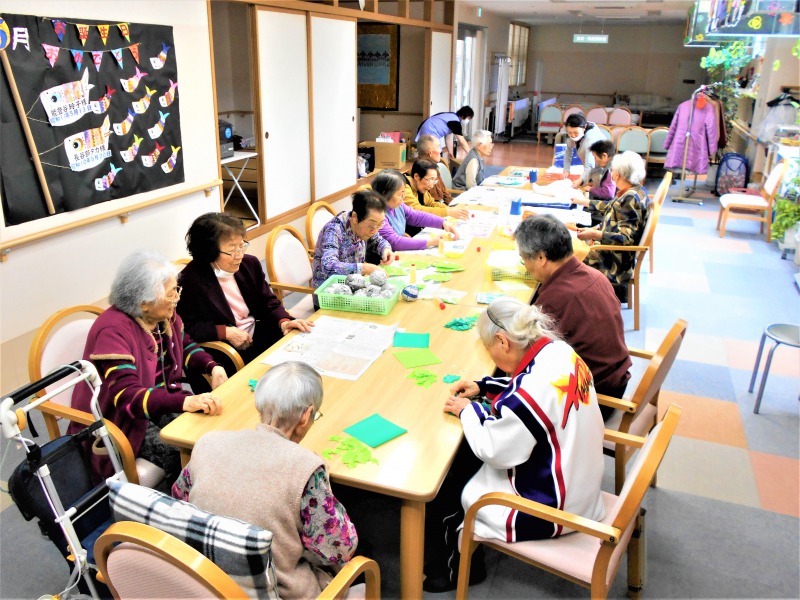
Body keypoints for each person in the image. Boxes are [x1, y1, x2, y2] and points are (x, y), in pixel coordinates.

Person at [423, 298, 606, 592]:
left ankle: (457, 571)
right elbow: (526, 392)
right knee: (465, 459)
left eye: (489, 350)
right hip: (584, 484)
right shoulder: (559, 351)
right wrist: (484, 387)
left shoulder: (529, 392)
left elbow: (494, 449)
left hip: (554, 509)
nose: (492, 357)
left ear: (502, 341)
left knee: (452, 486)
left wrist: (468, 410)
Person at [172, 361, 359, 600]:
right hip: (279, 592)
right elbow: (340, 548)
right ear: (306, 415)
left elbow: (179, 499)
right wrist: (322, 481)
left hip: (205, 582)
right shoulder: (306, 469)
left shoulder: (207, 443)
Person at [69, 249, 227, 484]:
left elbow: (184, 344)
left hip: (159, 402)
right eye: (171, 293)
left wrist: (211, 366)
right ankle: (181, 497)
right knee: (179, 446)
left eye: (176, 290)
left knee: (209, 427)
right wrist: (184, 402)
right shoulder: (112, 330)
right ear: (144, 303)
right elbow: (128, 397)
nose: (177, 299)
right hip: (122, 419)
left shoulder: (163, 315)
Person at [515, 215, 632, 419]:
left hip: (591, 400)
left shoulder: (555, 300)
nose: (525, 265)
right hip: (614, 381)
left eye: (524, 258)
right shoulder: (594, 275)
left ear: (541, 258)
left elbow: (527, 358)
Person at [177, 213, 313, 369]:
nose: (240, 255)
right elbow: (186, 327)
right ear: (209, 252)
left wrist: (284, 321)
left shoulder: (249, 264)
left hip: (258, 333)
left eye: (242, 246)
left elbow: (267, 301)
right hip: (225, 351)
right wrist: (225, 332)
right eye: (232, 250)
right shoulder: (189, 281)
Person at [578, 151, 650, 302]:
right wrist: (583, 203)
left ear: (616, 175)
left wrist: (595, 234)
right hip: (614, 254)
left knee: (567, 257)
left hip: (613, 263)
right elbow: (611, 209)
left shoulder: (630, 199)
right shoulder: (637, 190)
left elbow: (625, 239)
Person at [311, 189, 393, 287]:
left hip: (354, 283)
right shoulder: (333, 230)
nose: (375, 230)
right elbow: (329, 266)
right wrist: (365, 268)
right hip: (329, 289)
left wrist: (386, 249)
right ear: (355, 217)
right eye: (371, 226)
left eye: (380, 224)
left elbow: (377, 240)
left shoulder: (364, 226)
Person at [371, 169, 459, 252]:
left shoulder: (398, 206)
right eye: (400, 194)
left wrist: (443, 223)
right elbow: (395, 242)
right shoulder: (377, 215)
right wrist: (431, 242)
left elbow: (416, 216)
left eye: (403, 192)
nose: (403, 196)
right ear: (384, 194)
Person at [402, 159, 469, 235]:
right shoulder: (403, 188)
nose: (431, 185)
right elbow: (417, 210)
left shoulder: (420, 186)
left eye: (434, 180)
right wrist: (448, 212)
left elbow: (432, 203)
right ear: (416, 176)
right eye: (430, 179)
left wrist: (451, 209)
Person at [563, 113, 607, 188]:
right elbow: (568, 150)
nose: (572, 136)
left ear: (584, 127)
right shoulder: (576, 132)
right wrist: (566, 169)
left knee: (594, 186)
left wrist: (580, 180)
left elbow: (589, 165)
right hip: (591, 168)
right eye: (570, 133)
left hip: (601, 169)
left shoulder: (590, 140)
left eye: (576, 133)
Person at [415, 134, 454, 204]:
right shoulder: (421, 172)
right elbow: (428, 204)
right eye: (438, 147)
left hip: (444, 206)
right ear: (430, 152)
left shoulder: (434, 168)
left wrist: (454, 205)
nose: (440, 151)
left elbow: (445, 193)